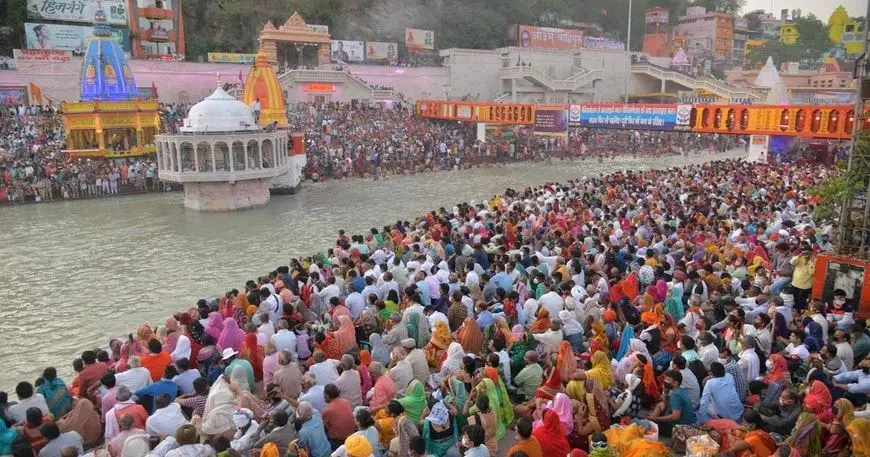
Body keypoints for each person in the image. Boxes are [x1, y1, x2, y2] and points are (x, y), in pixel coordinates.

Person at [648, 370, 697, 437]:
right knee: (660, 404)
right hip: (686, 422)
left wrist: (656, 419)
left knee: (652, 426)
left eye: (668, 380)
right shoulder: (679, 390)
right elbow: (665, 405)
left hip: (678, 428)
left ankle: (651, 420)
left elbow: (675, 417)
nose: (665, 381)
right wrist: (665, 394)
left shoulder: (675, 395)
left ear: (675, 383)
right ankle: (651, 418)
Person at [322, 384, 355, 449]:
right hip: (351, 435)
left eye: (324, 394)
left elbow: (325, 427)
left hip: (337, 441)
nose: (323, 396)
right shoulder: (346, 402)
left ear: (327, 396)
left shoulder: (327, 410)